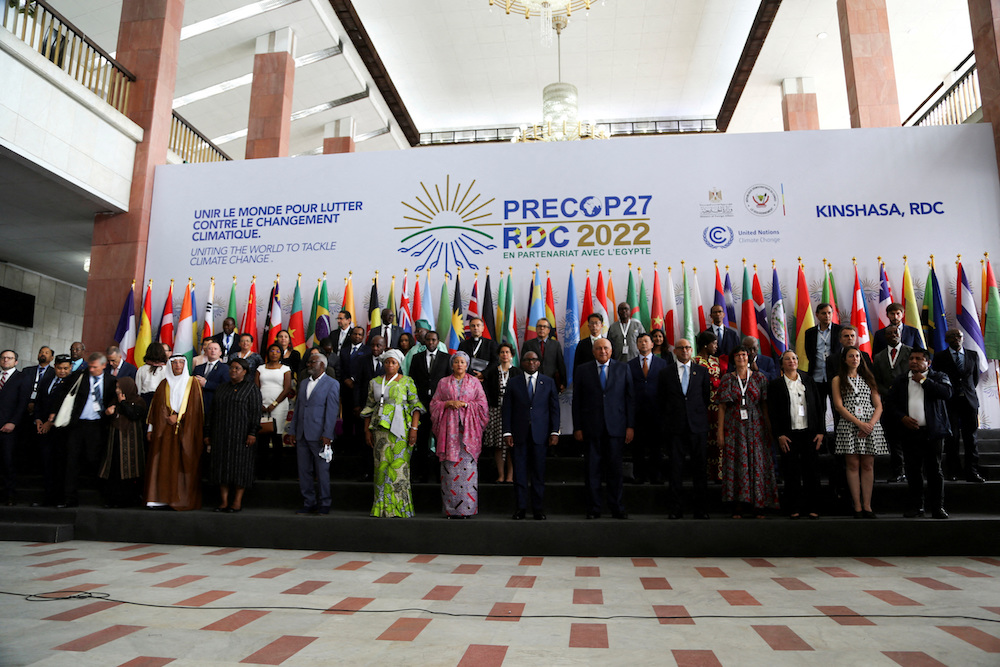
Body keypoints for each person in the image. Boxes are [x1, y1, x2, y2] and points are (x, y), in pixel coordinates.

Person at [573, 338, 634, 519]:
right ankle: (594, 508)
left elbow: (630, 399)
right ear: (593, 351)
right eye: (598, 348)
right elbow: (577, 401)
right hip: (591, 428)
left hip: (616, 428)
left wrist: (630, 426)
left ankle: (617, 507)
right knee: (592, 470)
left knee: (615, 470)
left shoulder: (623, 368)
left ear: (611, 350)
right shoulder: (582, 370)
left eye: (606, 348)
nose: (602, 351)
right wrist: (578, 427)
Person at [888, 348, 952, 519]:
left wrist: (923, 381)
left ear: (928, 363)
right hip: (910, 433)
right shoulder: (901, 380)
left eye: (918, 359)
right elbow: (891, 405)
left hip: (933, 433)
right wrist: (902, 418)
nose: (913, 361)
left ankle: (938, 508)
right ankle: (917, 507)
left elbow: (946, 393)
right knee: (913, 471)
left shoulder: (938, 376)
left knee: (934, 471)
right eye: (911, 358)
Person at [717, 346, 778, 518]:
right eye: (737, 355)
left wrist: (769, 427)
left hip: (756, 425)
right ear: (733, 359)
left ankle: (759, 504)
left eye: (744, 355)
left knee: (757, 463)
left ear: (749, 357)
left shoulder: (759, 378)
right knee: (737, 463)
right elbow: (721, 407)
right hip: (734, 425)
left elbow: (764, 405)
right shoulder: (728, 378)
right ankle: (738, 505)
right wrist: (720, 432)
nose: (741, 358)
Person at [361, 349, 423, 517]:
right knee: (381, 467)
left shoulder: (407, 382)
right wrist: (367, 431)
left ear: (399, 364)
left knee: (400, 469)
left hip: (401, 430)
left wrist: (414, 429)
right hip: (380, 431)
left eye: (393, 362)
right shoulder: (374, 382)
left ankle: (401, 508)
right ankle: (382, 508)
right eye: (387, 362)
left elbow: (416, 406)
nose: (390, 365)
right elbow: (368, 407)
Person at [430, 351, 489, 518]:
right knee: (449, 470)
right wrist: (447, 403)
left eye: (462, 362)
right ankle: (450, 510)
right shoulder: (443, 383)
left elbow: (482, 405)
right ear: (452, 364)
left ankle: (468, 510)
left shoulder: (475, 383)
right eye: (456, 362)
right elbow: (434, 404)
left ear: (467, 364)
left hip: (467, 435)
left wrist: (465, 405)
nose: (459, 365)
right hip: (449, 434)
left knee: (468, 472)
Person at [502, 350, 560, 520]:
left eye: (534, 360)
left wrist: (555, 431)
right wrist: (507, 431)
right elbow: (507, 409)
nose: (531, 362)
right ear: (523, 363)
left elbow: (554, 409)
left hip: (540, 436)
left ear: (539, 363)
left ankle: (537, 509)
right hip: (518, 435)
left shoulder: (548, 382)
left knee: (538, 473)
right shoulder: (513, 382)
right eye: (527, 360)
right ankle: (520, 508)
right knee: (519, 473)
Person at [659, 338, 712, 519]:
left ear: (692, 350)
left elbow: (706, 398)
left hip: (697, 426)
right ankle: (675, 509)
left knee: (700, 469)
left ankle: (701, 509)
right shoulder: (665, 373)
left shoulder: (702, 372)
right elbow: (662, 399)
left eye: (688, 348)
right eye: (680, 348)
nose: (684, 351)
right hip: (675, 427)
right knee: (675, 469)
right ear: (675, 352)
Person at [768, 351, 825, 519]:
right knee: (791, 472)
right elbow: (773, 412)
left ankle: (813, 507)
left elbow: (820, 407)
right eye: (788, 359)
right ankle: (793, 508)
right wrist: (779, 435)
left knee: (812, 472)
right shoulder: (776, 385)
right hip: (788, 435)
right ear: (782, 364)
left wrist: (821, 431)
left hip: (810, 433)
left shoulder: (808, 380)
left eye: (794, 358)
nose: (792, 361)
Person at [832, 346, 887, 519]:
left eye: (857, 356)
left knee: (867, 465)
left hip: (870, 426)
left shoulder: (869, 378)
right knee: (853, 465)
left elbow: (878, 405)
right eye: (851, 356)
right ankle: (857, 506)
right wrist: (858, 423)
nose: (855, 359)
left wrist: (869, 424)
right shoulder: (837, 379)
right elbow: (838, 406)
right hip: (849, 425)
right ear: (844, 359)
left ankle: (867, 505)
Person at [144, 355, 204, 511]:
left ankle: (180, 498)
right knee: (162, 462)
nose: (178, 365)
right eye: (175, 362)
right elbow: (155, 408)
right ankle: (158, 499)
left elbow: (196, 409)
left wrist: (179, 418)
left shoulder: (193, 383)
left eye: (181, 362)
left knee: (181, 463)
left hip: (185, 430)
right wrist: (152, 428)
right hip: (164, 430)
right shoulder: (164, 384)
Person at [59, 352, 117, 508]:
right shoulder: (79, 377)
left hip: (98, 426)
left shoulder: (111, 381)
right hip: (77, 425)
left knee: (96, 459)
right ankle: (69, 498)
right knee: (72, 460)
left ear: (104, 366)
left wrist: (112, 407)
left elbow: (114, 399)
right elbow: (63, 394)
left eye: (95, 367)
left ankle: (102, 496)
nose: (91, 369)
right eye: (90, 366)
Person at [207, 358, 262, 513]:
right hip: (221, 435)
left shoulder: (251, 389)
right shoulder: (221, 388)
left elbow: (256, 413)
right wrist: (208, 433)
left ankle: (236, 502)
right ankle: (223, 502)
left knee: (240, 469)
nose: (233, 371)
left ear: (245, 371)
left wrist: (252, 433)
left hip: (242, 436)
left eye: (237, 368)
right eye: (231, 368)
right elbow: (212, 413)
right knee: (221, 469)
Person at [932, 329, 985, 483]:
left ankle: (972, 472)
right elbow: (937, 378)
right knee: (952, 438)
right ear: (947, 340)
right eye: (952, 337)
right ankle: (953, 471)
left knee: (971, 438)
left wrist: (965, 392)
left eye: (959, 336)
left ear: (963, 338)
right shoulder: (940, 357)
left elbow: (974, 380)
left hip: (969, 401)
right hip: (950, 402)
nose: (956, 339)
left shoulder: (973, 355)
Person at [290, 354, 340, 515]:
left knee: (322, 471)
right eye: (309, 362)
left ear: (322, 365)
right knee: (304, 471)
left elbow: (332, 411)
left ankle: (325, 503)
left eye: (313, 362)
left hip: (320, 435)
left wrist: (328, 434)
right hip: (302, 433)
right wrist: (292, 430)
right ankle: (308, 502)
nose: (309, 364)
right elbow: (298, 409)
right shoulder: (304, 382)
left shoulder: (332, 384)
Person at [409, 330, 451, 483]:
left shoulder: (446, 358)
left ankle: (440, 475)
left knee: (441, 441)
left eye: (434, 340)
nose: (431, 342)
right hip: (421, 406)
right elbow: (412, 381)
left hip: (440, 406)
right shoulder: (416, 358)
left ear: (438, 341)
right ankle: (421, 474)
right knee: (421, 440)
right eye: (428, 340)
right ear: (424, 341)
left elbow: (448, 381)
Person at [99, 376, 147, 507]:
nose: (117, 391)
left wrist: (123, 403)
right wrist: (108, 413)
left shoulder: (139, 402)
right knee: (115, 470)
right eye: (117, 388)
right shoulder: (113, 401)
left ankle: (130, 499)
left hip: (131, 442)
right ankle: (113, 500)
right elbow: (105, 419)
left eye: (120, 388)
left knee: (131, 471)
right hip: (114, 442)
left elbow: (133, 415)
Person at [872, 324, 911, 483]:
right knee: (893, 440)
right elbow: (876, 381)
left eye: (896, 332)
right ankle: (897, 471)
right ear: (885, 336)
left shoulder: (911, 353)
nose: (893, 335)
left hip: (908, 403)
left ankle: (910, 471)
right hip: (888, 404)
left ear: (900, 334)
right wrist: (889, 393)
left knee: (908, 440)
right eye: (890, 333)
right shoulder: (879, 356)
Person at [33, 354, 73, 507]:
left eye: (65, 368)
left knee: (59, 466)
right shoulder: (47, 379)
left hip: (60, 431)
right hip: (43, 428)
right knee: (45, 464)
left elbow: (66, 407)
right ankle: (47, 498)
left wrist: (51, 422)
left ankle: (59, 498)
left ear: (70, 368)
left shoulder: (71, 384)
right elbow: (38, 402)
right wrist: (37, 419)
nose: (62, 371)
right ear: (54, 367)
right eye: (59, 368)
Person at [628, 333, 668, 484]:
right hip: (637, 412)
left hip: (656, 412)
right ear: (637, 345)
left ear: (652, 344)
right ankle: (639, 475)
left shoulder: (662, 364)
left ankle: (656, 475)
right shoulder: (629, 365)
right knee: (637, 447)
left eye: (646, 341)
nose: (643, 344)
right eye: (640, 342)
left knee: (656, 447)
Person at [483, 343, 520, 484]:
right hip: (496, 411)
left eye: (507, 352)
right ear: (499, 355)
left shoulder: (517, 372)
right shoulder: (493, 372)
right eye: (502, 352)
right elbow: (487, 391)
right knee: (498, 445)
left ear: (512, 355)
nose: (505, 355)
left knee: (511, 445)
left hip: (512, 413)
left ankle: (510, 476)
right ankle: (501, 475)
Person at [256, 344, 292, 480]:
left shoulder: (285, 369)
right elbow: (256, 387)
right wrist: (261, 404)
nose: (274, 353)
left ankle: (277, 472)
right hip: (262, 407)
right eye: (272, 350)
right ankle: (262, 472)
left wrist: (274, 404)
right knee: (263, 438)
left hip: (279, 406)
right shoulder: (260, 369)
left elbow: (287, 388)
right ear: (268, 352)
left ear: (281, 354)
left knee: (277, 438)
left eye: (278, 351)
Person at [804, 302, 843, 425]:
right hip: (817, 377)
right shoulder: (810, 333)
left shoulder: (840, 330)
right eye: (823, 313)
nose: (827, 316)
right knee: (819, 409)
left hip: (835, 377)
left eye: (829, 313)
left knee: (838, 409)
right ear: (817, 315)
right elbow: (809, 353)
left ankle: (839, 437)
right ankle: (821, 439)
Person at [0, 350, 29, 505]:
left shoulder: (22, 377)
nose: (6, 360)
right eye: (3, 358)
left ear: (16, 362)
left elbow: (23, 403)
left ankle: (9, 495)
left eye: (9, 358)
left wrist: (13, 422)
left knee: (8, 461)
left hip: (9, 427)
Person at [694, 331, 724, 482]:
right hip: (702, 406)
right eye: (714, 343)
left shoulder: (717, 361)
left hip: (717, 406)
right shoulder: (695, 361)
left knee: (718, 439)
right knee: (705, 440)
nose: (716, 346)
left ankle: (718, 473)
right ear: (705, 345)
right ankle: (705, 473)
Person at [521, 318, 567, 391]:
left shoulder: (555, 344)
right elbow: (523, 364)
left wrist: (563, 382)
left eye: (544, 326)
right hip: (532, 382)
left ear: (549, 330)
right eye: (539, 326)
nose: (542, 328)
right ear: (536, 329)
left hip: (551, 381)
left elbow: (560, 364)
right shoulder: (528, 344)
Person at [192, 341, 229, 418]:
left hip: (215, 406)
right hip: (197, 405)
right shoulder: (198, 368)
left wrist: (206, 384)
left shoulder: (225, 368)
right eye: (210, 348)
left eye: (215, 349)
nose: (213, 351)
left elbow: (225, 387)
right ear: (205, 351)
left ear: (220, 353)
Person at [135, 342, 169, 406]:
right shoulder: (167, 369)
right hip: (162, 400)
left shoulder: (142, 369)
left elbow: (138, 388)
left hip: (145, 400)